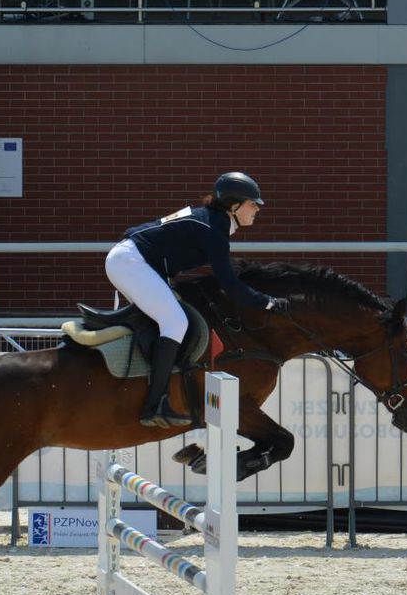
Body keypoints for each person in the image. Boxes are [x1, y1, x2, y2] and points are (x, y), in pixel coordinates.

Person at [105, 171, 290, 429]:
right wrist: (268, 303)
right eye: (252, 203)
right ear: (233, 205)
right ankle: (154, 405)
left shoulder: (213, 221)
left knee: (172, 319)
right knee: (175, 323)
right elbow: (230, 285)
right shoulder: (214, 228)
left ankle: (157, 391)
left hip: (134, 261)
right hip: (131, 262)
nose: (258, 208)